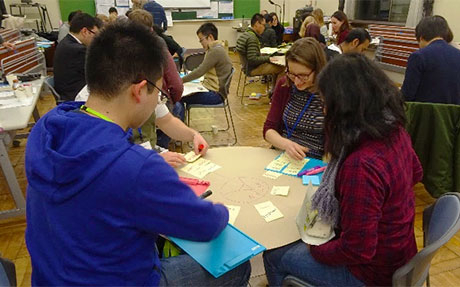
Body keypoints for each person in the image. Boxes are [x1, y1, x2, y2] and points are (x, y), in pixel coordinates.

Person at [25, 21, 251, 286]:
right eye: (158, 91)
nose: (159, 100)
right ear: (139, 90)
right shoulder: (137, 168)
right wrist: (224, 210)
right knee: (237, 266)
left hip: (49, 278)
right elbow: (207, 225)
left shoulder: (46, 127)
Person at [263, 53, 423, 287]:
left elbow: (357, 250)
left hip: (372, 273)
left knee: (275, 257)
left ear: (345, 105)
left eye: (327, 102)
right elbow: (415, 174)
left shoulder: (361, 164)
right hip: (402, 253)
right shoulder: (393, 128)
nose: (325, 110)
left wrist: (314, 248)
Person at [263, 38, 326, 160]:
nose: (296, 81)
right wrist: (287, 144)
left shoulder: (331, 92)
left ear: (318, 69)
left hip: (316, 162)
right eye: (292, 74)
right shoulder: (284, 85)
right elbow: (268, 130)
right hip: (284, 155)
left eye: (303, 76)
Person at [178, 23, 233, 121]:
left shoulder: (215, 51)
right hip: (212, 90)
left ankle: (180, 129)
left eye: (201, 40)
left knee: (178, 97)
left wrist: (180, 80)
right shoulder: (218, 47)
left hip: (215, 95)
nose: (201, 44)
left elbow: (200, 71)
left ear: (210, 37)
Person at [402, 15, 460, 104]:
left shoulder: (418, 56)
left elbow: (407, 95)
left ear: (421, 38)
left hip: (425, 114)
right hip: (453, 116)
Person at [53, 13, 102, 102]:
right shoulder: (78, 50)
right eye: (95, 35)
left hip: (67, 90)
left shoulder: (66, 42)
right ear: (85, 31)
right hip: (74, 94)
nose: (96, 40)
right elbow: (98, 71)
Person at [236, 13, 284, 90]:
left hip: (245, 66)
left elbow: (251, 55)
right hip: (252, 69)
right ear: (257, 23)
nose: (264, 28)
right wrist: (268, 58)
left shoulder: (245, 34)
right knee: (282, 68)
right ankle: (276, 93)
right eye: (263, 25)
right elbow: (253, 60)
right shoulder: (252, 38)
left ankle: (273, 91)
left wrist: (264, 56)